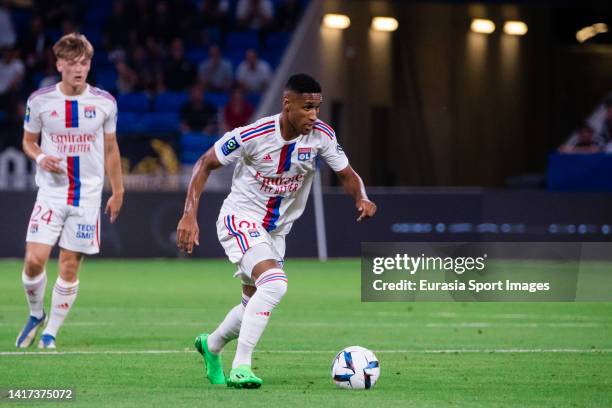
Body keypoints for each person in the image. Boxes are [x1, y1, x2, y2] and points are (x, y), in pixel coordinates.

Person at [176, 74, 377, 388]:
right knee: (275, 283)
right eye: (307, 107)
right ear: (287, 104)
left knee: (251, 305)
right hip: (240, 218)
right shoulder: (253, 134)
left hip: (275, 233)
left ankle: (211, 345)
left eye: (317, 108)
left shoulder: (321, 136)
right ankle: (241, 366)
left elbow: (347, 174)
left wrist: (361, 197)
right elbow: (204, 163)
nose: (313, 115)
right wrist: (189, 214)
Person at [15, 33, 124, 349]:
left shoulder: (104, 103)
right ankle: (36, 313)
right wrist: (40, 156)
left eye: (85, 63)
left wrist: (118, 191)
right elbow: (27, 140)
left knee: (69, 265)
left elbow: (111, 148)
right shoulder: (40, 101)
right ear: (59, 64)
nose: (80, 69)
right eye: (73, 63)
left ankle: (50, 333)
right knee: (34, 261)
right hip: (50, 193)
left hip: (87, 196)